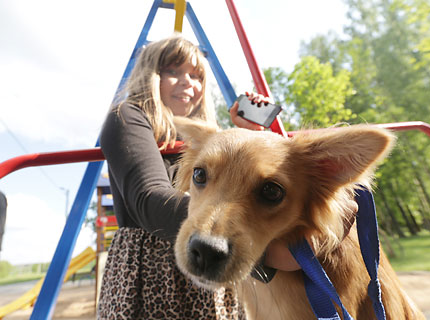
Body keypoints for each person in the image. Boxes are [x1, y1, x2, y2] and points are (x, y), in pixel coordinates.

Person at [97, 34, 302, 319]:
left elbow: (245, 192)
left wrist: (251, 136)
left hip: (213, 257)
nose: (187, 83)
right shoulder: (127, 116)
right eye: (172, 71)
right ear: (149, 75)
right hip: (153, 269)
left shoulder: (209, 136)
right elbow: (149, 198)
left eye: (196, 76)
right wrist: (262, 250)